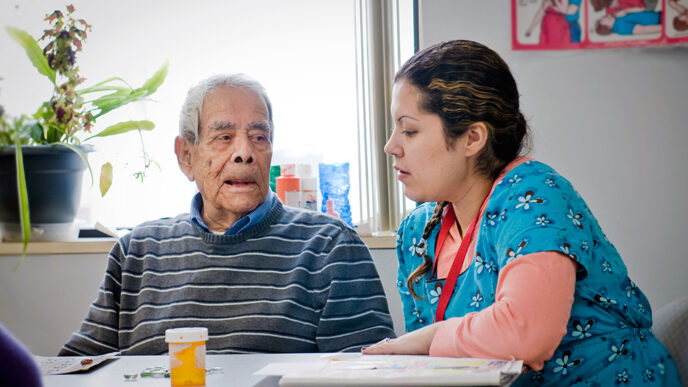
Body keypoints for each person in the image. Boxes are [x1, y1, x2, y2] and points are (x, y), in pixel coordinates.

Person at [362, 40, 680, 386]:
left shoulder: (532, 194)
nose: (390, 146)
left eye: (409, 130)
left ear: (472, 138)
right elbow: (427, 368)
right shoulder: (417, 233)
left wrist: (429, 337)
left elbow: (526, 334)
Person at [59, 73, 395, 356]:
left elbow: (367, 375)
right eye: (224, 137)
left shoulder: (331, 247)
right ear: (186, 156)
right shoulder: (136, 251)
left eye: (258, 137)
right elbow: (75, 370)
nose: (244, 153)